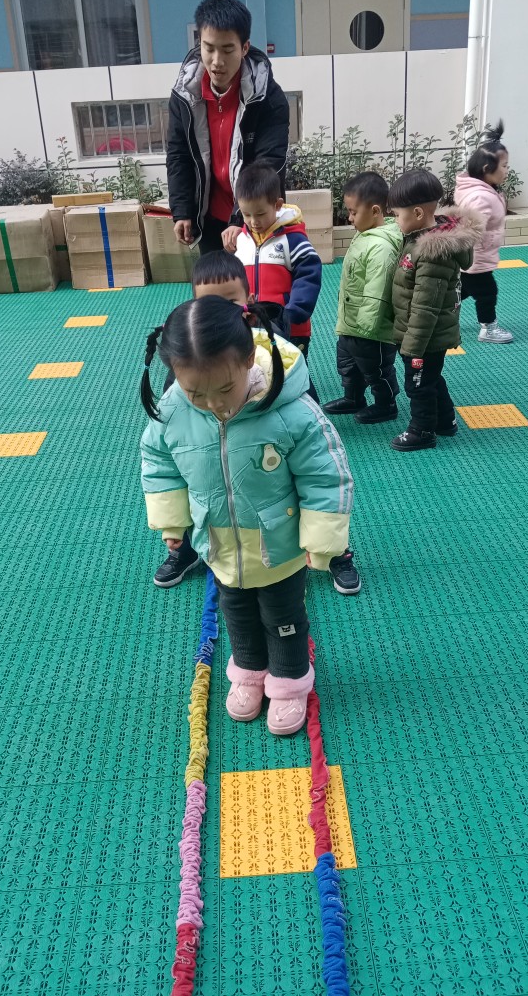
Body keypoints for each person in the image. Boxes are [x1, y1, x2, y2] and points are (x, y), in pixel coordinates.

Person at [140, 297, 354, 735]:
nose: (213, 404)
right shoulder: (174, 411)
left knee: (283, 615)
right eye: (196, 393)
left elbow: (325, 475)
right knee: (236, 612)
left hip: (280, 544)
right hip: (219, 544)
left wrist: (322, 540)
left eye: (224, 389)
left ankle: (290, 681)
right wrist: (173, 522)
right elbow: (159, 464)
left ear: (249, 360)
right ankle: (250, 673)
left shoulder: (291, 412)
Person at [153, 251, 361, 598]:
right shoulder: (190, 359)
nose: (221, 312)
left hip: (274, 482)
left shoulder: (275, 349)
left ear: (248, 300)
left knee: (315, 498)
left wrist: (326, 537)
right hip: (217, 491)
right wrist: (172, 520)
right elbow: (165, 444)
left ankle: (337, 553)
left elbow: (312, 441)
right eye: (209, 303)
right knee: (205, 494)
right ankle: (187, 548)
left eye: (230, 301)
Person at [167, 0, 290, 255]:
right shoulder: (184, 96)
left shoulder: (268, 99)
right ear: (199, 43)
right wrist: (183, 210)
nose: (217, 61)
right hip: (209, 219)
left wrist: (239, 219)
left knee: (259, 282)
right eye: (209, 48)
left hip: (255, 218)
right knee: (213, 282)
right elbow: (178, 154)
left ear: (244, 48)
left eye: (227, 50)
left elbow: (268, 164)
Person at [388, 168, 484, 452]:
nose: (395, 220)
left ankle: (422, 431)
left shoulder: (432, 253)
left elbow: (425, 305)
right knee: (431, 378)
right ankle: (445, 421)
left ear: (418, 213)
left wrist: (413, 346)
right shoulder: (421, 238)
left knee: (418, 384)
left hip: (424, 338)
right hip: (426, 335)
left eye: (397, 214)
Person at [224, 161, 322, 400]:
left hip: (290, 324)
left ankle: (310, 411)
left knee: (293, 372)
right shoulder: (242, 241)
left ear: (277, 206)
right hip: (251, 324)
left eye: (260, 214)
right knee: (259, 371)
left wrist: (294, 311)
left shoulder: (292, 240)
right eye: (246, 214)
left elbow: (309, 273)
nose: (253, 221)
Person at [323, 172, 403, 425]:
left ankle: (386, 404)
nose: (349, 218)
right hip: (351, 323)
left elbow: (377, 290)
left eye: (353, 212)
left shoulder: (382, 246)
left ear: (375, 210)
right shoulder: (364, 234)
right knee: (347, 363)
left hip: (371, 329)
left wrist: (366, 328)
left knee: (375, 367)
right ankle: (354, 397)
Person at [454, 120, 514, 343]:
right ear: (487, 169)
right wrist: (473, 251)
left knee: (462, 291)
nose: (507, 170)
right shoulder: (480, 197)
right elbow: (470, 230)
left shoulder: (486, 190)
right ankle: (488, 329)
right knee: (488, 292)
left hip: (477, 256)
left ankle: (437, 315)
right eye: (504, 166)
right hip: (476, 257)